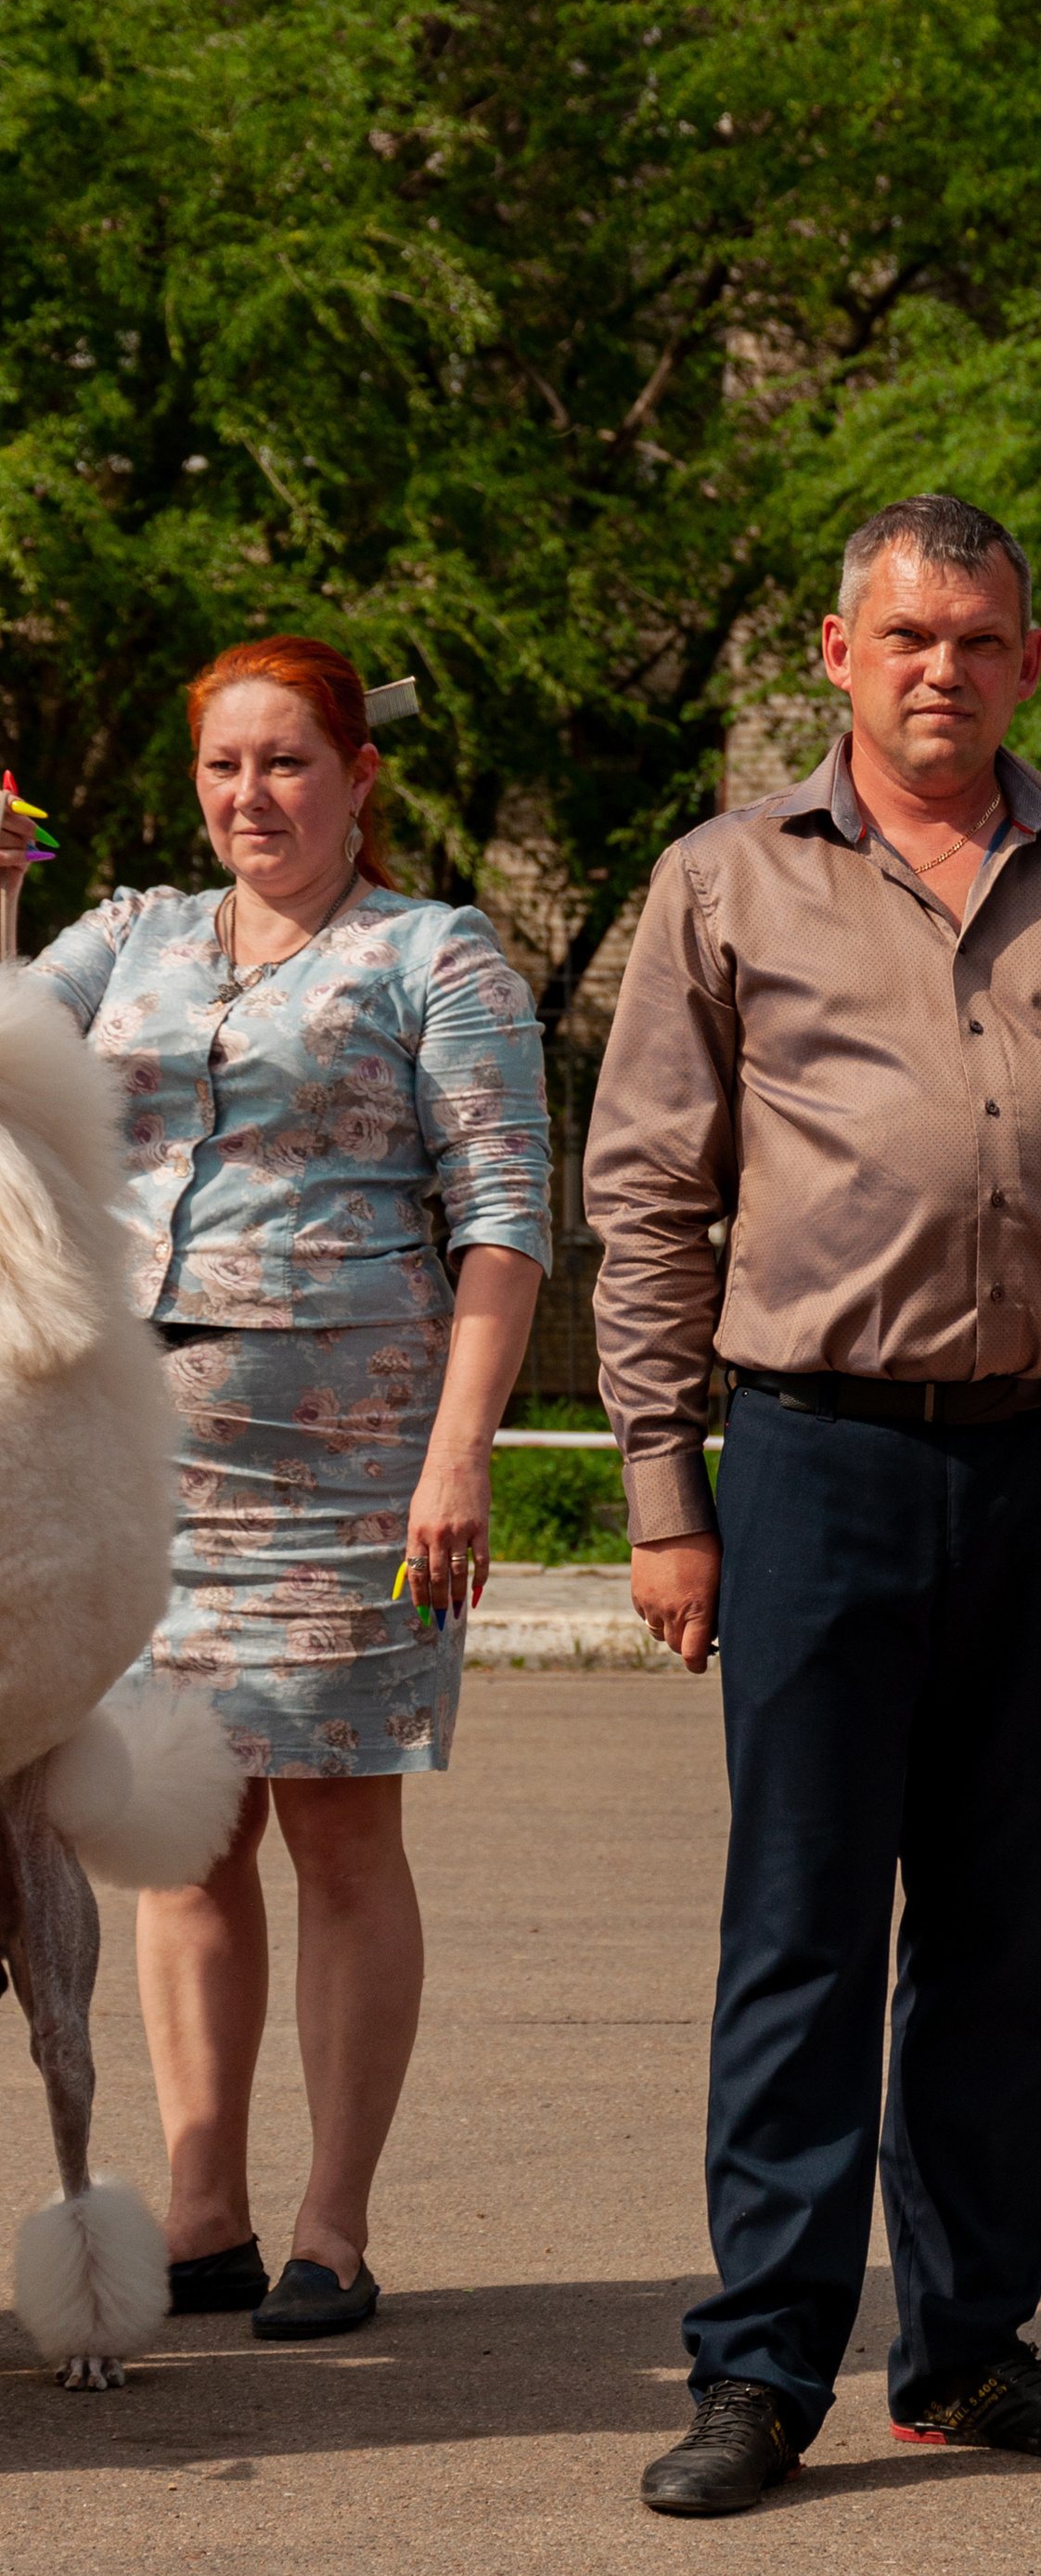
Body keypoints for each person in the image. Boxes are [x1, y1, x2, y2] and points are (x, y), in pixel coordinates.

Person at [585, 493, 1041, 2515]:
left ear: (1029, 663)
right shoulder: (726, 879)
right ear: (837, 653)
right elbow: (646, 1196)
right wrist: (662, 1487)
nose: (944, 671)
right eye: (906, 636)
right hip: (811, 1451)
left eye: (981, 640)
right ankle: (760, 2366)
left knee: (999, 1925)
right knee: (802, 1922)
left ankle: (974, 2343)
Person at [17, 637, 550, 2338]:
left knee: (337, 1829)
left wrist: (458, 1452)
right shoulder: (133, 935)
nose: (253, 796)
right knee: (179, 1830)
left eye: (289, 762)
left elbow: (504, 1220)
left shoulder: (433, 955)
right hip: (145, 1469)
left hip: (355, 1461)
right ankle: (203, 2214)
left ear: (357, 776)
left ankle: (332, 2225)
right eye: (225, 766)